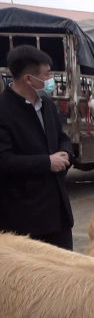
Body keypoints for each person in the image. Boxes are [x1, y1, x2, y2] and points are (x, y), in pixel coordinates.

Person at [0, 45, 74, 250]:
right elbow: (3, 160)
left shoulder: (47, 104)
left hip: (58, 213)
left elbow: (61, 136)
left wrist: (66, 153)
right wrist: (47, 162)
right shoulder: (3, 110)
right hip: (25, 218)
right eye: (47, 74)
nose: (51, 79)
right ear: (28, 79)